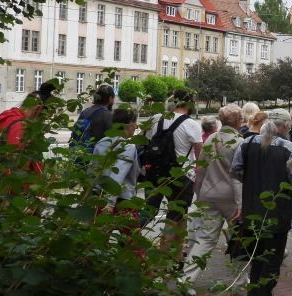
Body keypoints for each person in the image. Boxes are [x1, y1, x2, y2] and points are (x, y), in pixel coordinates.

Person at [230, 108, 292, 296]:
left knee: (256, 253)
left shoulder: (247, 143)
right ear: (285, 126)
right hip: (277, 211)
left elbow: (236, 171)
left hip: (251, 209)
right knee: (272, 257)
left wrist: (252, 185)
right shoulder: (287, 148)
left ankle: (254, 293)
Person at [178, 104, 244, 294]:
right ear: (238, 121)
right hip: (231, 198)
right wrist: (241, 202)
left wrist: (199, 193)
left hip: (208, 193)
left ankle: (186, 279)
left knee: (205, 239)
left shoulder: (211, 139)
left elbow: (201, 170)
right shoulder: (239, 142)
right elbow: (239, 176)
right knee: (238, 238)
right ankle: (240, 281)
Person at [141, 88, 203, 265]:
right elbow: (200, 156)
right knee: (175, 216)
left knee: (150, 210)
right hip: (181, 176)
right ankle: (161, 259)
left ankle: (176, 256)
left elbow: (144, 142)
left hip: (154, 173)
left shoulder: (156, 119)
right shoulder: (191, 124)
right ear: (189, 103)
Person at [92, 107, 141, 243]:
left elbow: (92, 171)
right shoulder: (128, 146)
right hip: (121, 201)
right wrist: (110, 203)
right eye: (135, 123)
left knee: (98, 243)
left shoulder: (102, 142)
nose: (136, 127)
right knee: (133, 243)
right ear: (129, 124)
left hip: (100, 198)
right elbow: (117, 175)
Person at [0, 92, 46, 192]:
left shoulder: (9, 117)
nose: (43, 120)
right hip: (5, 193)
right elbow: (14, 167)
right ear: (37, 109)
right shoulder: (20, 126)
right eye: (44, 115)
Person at [71, 84, 115, 148]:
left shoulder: (85, 112)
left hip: (80, 152)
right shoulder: (107, 115)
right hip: (96, 154)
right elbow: (112, 139)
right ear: (110, 98)